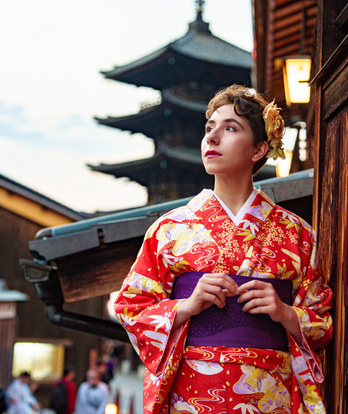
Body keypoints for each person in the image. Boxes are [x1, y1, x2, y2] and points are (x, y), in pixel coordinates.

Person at [113, 85, 333, 413]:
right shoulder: (168, 231)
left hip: (268, 394)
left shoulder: (298, 234)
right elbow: (130, 308)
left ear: (259, 149)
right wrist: (185, 307)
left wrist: (285, 312)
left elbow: (323, 323)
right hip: (191, 393)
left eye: (230, 128)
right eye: (209, 128)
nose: (212, 138)